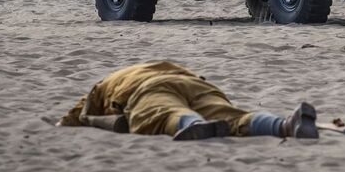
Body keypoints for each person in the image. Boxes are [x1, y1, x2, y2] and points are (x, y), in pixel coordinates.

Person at [56, 61, 318, 140]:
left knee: (167, 113)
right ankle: (284, 125)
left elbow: (76, 115)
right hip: (193, 82)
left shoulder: (103, 86)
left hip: (144, 91)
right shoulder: (153, 64)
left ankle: (191, 124)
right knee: (233, 116)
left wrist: (70, 122)